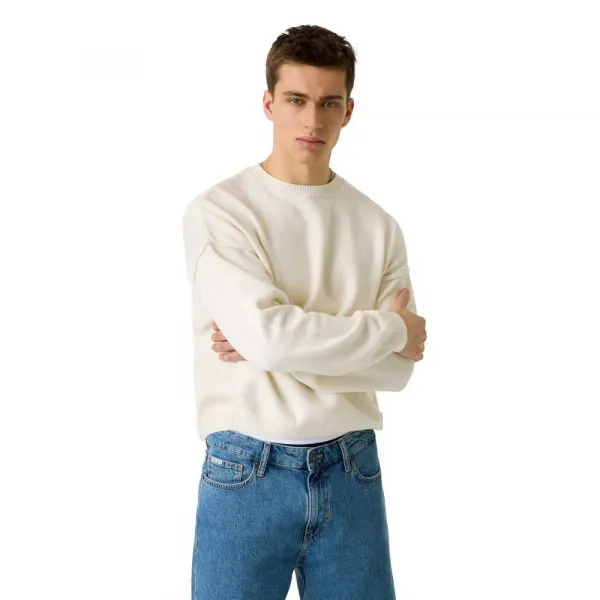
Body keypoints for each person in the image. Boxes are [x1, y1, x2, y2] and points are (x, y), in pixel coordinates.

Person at [182, 24, 427, 600]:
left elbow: (396, 372)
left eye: (328, 103)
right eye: (296, 100)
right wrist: (388, 331)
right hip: (248, 468)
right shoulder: (220, 212)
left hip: (352, 467)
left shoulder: (378, 226)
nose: (312, 120)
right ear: (269, 103)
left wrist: (275, 347)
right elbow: (277, 340)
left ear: (348, 111)